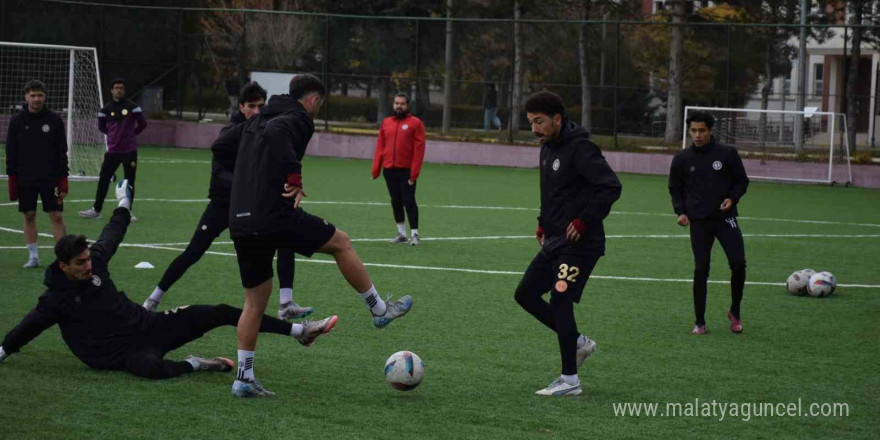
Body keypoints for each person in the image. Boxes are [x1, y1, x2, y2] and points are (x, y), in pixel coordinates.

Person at [0, 180, 338, 385]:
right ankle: (196, 364)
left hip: (151, 325)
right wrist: (3, 349)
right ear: (63, 266)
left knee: (218, 311)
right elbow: (29, 326)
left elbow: (112, 234)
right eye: (80, 264)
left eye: (88, 259)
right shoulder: (55, 299)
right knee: (151, 370)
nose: (88, 265)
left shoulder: (96, 261)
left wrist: (123, 203)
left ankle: (300, 332)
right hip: (120, 355)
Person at [223, 74, 413, 397]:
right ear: (313, 100)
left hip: (240, 218)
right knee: (341, 242)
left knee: (254, 302)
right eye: (319, 104)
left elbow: (221, 143)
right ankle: (380, 310)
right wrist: (294, 176)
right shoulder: (297, 117)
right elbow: (277, 133)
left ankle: (244, 378)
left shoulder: (256, 118)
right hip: (272, 215)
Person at [143, 82, 312, 321]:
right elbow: (220, 172)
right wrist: (247, 187)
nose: (256, 111)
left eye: (260, 106)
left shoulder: (266, 128)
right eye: (251, 106)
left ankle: (286, 304)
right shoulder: (231, 132)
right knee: (194, 251)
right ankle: (154, 297)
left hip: (255, 205)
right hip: (225, 203)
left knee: (285, 238)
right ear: (241, 107)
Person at [514, 90, 622, 397]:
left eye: (539, 122)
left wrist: (584, 220)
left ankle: (570, 381)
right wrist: (542, 221)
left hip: (581, 244)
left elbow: (611, 187)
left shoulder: (582, 149)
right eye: (530, 122)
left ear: (557, 119)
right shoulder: (547, 147)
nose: (534, 129)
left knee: (560, 299)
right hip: (555, 240)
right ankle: (578, 342)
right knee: (525, 294)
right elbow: (552, 192)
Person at [668, 111, 749, 335]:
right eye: (693, 131)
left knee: (739, 263)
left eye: (701, 130)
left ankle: (735, 311)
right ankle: (700, 321)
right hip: (699, 222)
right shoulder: (682, 158)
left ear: (710, 131)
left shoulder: (727, 154)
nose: (697, 135)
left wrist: (732, 198)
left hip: (726, 218)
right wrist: (680, 212)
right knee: (701, 268)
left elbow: (742, 181)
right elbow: (675, 188)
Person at [5, 80, 69, 268]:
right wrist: (12, 177)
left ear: (45, 97)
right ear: (26, 97)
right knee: (29, 215)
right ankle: (33, 256)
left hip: (51, 176)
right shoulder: (17, 121)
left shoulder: (54, 120)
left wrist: (63, 178)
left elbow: (61, 150)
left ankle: (62, 259)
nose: (36, 99)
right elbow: (11, 151)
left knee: (56, 215)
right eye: (32, 95)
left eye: (40, 95)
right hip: (26, 177)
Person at [78, 78, 147, 219]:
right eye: (116, 87)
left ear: (124, 90)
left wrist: (132, 135)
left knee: (129, 181)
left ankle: (127, 211)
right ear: (111, 90)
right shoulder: (105, 109)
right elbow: (101, 126)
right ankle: (96, 210)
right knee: (104, 179)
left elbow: (142, 124)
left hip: (129, 151)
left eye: (121, 87)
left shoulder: (133, 107)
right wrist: (112, 135)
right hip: (113, 151)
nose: (119, 90)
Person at [371, 92, 426, 245]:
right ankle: (401, 234)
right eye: (396, 103)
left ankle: (415, 234)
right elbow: (380, 146)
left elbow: (419, 150)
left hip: (407, 171)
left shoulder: (416, 123)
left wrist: (414, 173)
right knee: (395, 201)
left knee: (409, 200)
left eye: (402, 103)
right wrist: (376, 168)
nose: (399, 106)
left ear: (408, 105)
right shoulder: (386, 122)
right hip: (389, 170)